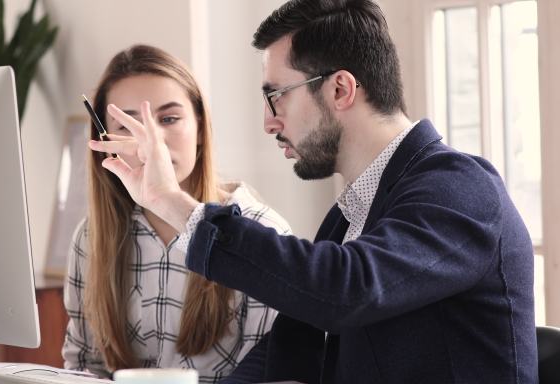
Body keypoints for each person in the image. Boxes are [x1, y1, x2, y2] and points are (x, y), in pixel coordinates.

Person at [89, 0, 537, 383]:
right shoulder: (351, 214)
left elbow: (345, 290)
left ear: (340, 88)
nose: (269, 122)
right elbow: (292, 344)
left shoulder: (461, 188)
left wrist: (171, 201)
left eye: (276, 96)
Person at [62, 45, 291, 383]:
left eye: (169, 119)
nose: (153, 142)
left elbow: (269, 369)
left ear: (200, 128)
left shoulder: (259, 230)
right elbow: (83, 365)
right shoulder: (91, 238)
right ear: (104, 140)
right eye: (127, 126)